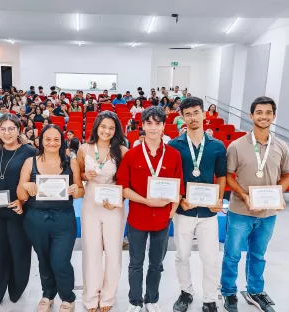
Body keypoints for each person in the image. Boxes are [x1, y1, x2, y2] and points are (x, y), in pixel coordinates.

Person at [221, 96, 289, 312]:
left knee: (258, 254)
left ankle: (254, 291)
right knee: (232, 254)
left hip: (268, 214)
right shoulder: (236, 146)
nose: (264, 116)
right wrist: (245, 196)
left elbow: (287, 175)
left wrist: (279, 194)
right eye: (259, 112)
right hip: (240, 211)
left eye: (268, 112)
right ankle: (228, 292)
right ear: (251, 116)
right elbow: (229, 176)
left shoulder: (281, 146)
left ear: (274, 116)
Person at [116, 106, 184, 312]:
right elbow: (123, 188)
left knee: (156, 263)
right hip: (137, 218)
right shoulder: (131, 155)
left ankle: (152, 299)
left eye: (158, 123)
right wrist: (148, 202)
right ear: (143, 126)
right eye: (149, 123)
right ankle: (135, 300)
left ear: (164, 126)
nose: (153, 128)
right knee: (135, 263)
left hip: (162, 220)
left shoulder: (173, 155)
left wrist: (171, 211)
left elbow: (179, 186)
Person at [17, 124, 85, 312]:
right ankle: (48, 294)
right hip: (35, 219)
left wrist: (75, 190)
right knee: (44, 259)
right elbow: (21, 194)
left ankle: (68, 297)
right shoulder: (30, 162)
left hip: (63, 219)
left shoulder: (70, 162)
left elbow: (81, 190)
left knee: (60, 260)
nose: (52, 143)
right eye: (48, 139)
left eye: (56, 139)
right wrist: (27, 186)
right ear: (41, 141)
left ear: (62, 141)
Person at [168, 97, 227, 312]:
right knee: (181, 255)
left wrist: (219, 199)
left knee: (210, 257)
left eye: (196, 112)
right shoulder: (174, 145)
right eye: (188, 114)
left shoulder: (217, 146)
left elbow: (221, 176)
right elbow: (171, 178)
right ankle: (186, 292)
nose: (193, 117)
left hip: (209, 213)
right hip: (184, 210)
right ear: (182, 117)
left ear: (204, 114)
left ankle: (210, 299)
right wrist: (180, 198)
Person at [0, 114, 36, 311]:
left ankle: (16, 291)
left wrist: (22, 199)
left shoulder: (29, 151)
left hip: (19, 209)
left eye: (11, 128)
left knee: (19, 250)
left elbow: (33, 182)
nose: (7, 133)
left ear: (19, 130)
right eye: (3, 129)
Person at [78, 111, 128, 312]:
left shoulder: (122, 150)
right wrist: (84, 174)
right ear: (96, 127)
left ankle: (108, 297)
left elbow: (125, 180)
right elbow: (78, 173)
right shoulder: (84, 148)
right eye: (103, 127)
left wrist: (119, 199)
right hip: (90, 204)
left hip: (112, 206)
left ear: (116, 130)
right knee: (91, 251)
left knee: (114, 252)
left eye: (111, 128)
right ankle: (90, 297)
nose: (106, 131)